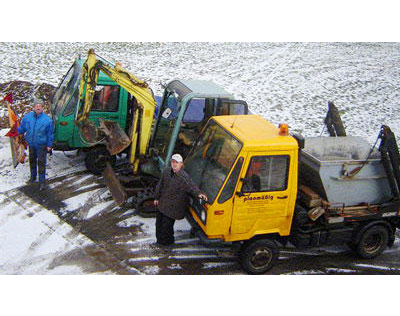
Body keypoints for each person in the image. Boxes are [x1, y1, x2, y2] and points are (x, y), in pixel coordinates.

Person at [153, 153, 208, 247]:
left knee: (166, 228)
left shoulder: (184, 177)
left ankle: (168, 244)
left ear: (181, 164)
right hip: (162, 204)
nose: (174, 164)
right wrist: (156, 198)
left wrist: (200, 194)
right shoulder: (166, 172)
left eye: (176, 162)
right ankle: (159, 242)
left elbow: (192, 187)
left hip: (173, 209)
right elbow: (160, 185)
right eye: (173, 162)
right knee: (158, 225)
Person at [18, 98, 54, 190]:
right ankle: (33, 178)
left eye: (40, 106)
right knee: (32, 161)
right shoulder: (27, 117)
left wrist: (49, 145)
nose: (38, 107)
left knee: (41, 163)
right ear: (33, 107)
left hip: (42, 145)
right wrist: (15, 131)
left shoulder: (47, 120)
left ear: (42, 107)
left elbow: (50, 134)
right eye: (36, 105)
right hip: (31, 144)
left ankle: (42, 182)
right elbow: (22, 128)